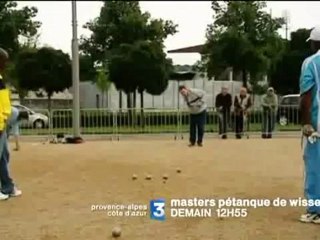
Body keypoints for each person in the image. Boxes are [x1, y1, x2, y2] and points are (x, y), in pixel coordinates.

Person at [299, 26, 320, 223]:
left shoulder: (311, 62)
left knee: (314, 166)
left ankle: (316, 209)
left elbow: (306, 95)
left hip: (318, 126)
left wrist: (306, 124)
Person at [0, 48, 21, 200]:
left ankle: (8, 186)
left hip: (2, 122)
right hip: (0, 123)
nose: (5, 64)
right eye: (4, 61)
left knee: (3, 155)